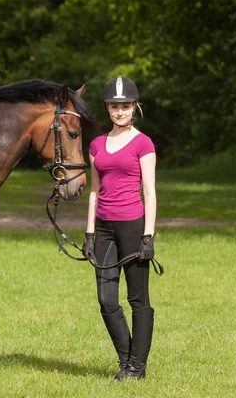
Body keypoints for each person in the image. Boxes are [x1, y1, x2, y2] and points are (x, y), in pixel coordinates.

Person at [82, 75, 158, 380]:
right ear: (107, 108)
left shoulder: (143, 143)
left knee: (138, 300)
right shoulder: (97, 145)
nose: (120, 112)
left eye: (125, 106)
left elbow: (150, 192)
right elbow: (94, 191)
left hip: (133, 226)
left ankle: (136, 368)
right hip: (103, 228)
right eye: (114, 106)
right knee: (107, 299)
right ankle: (126, 359)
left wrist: (148, 235)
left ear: (134, 106)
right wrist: (89, 233)